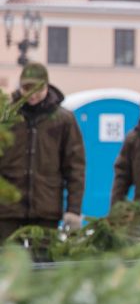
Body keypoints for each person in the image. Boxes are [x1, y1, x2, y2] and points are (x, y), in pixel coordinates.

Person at [0, 63, 85, 240]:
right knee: (7, 264)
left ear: (47, 87)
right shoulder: (6, 116)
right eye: (27, 88)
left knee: (44, 264)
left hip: (46, 209)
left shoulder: (63, 120)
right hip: (7, 210)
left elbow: (75, 167)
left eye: (37, 89)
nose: (32, 94)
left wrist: (73, 210)